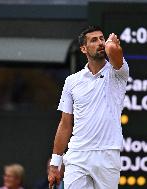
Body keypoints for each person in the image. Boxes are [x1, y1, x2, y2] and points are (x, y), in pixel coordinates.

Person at [48, 25, 129, 189]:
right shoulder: (71, 81)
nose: (100, 43)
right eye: (94, 40)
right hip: (77, 154)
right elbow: (65, 123)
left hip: (107, 153)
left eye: (102, 38)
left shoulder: (118, 72)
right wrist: (55, 164)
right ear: (83, 49)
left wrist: (111, 45)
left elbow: (114, 52)